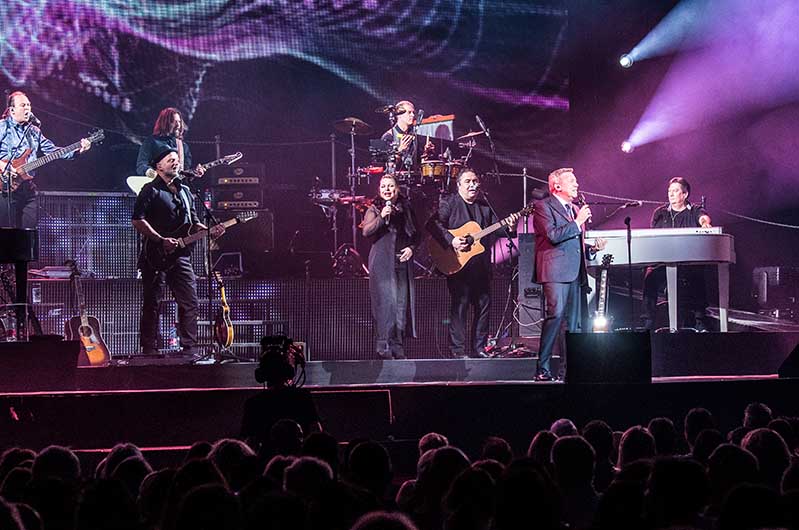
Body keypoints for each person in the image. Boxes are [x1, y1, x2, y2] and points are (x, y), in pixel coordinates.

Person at [131, 147, 224, 356]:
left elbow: (195, 222)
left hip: (181, 255)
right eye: (170, 160)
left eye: (177, 159)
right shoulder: (150, 190)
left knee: (190, 302)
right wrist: (160, 239)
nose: (175, 162)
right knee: (153, 302)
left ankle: (189, 349)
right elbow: (137, 219)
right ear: (159, 166)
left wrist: (209, 231)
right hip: (154, 255)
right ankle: (149, 348)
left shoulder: (186, 191)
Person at [426, 169, 519, 358]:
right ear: (459, 185)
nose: (472, 185)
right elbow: (433, 224)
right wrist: (452, 240)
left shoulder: (484, 207)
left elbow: (499, 230)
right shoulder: (449, 203)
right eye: (468, 181)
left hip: (480, 266)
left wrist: (510, 226)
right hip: (457, 264)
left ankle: (479, 348)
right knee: (460, 305)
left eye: (475, 181)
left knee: (484, 304)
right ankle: (457, 350)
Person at [533, 167, 606, 381]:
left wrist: (590, 249)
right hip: (555, 270)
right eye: (571, 181)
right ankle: (542, 368)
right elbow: (553, 236)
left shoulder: (574, 208)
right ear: (557, 186)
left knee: (573, 324)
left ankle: (569, 371)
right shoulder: (542, 206)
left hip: (575, 271)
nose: (576, 184)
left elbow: (573, 242)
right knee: (555, 316)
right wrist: (578, 222)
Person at [0, 91, 92, 227]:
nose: (27, 108)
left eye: (29, 105)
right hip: (5, 187)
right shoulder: (2, 127)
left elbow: (53, 151)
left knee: (30, 231)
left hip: (27, 188)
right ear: (12, 110)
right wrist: (2, 165)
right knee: (7, 233)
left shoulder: (34, 131)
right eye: (23, 105)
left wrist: (78, 149)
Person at [361, 175, 420, 359]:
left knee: (401, 304)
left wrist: (411, 248)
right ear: (379, 190)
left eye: (391, 186)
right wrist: (382, 216)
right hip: (382, 262)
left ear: (397, 189)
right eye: (383, 186)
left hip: (401, 261)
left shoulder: (407, 209)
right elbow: (366, 231)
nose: (387, 189)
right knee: (386, 303)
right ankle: (383, 345)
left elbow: (417, 234)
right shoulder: (374, 208)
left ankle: (398, 345)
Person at [641, 176, 711, 331]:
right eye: (669, 191)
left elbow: (703, 218)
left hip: (687, 262)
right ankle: (648, 321)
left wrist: (705, 223)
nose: (671, 194)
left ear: (685, 194)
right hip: (663, 261)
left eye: (675, 191)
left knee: (698, 272)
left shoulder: (694, 210)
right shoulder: (660, 213)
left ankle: (700, 320)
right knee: (650, 275)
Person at [240, 336, 322, 454]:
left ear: (261, 375)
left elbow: (249, 444)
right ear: (289, 372)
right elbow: (317, 435)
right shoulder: (303, 398)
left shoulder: (254, 403)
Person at [135, 107, 206, 177]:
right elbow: (141, 165)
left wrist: (195, 173)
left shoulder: (183, 146)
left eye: (179, 122)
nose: (178, 125)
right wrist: (153, 174)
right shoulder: (151, 142)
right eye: (174, 122)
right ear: (164, 123)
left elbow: (183, 175)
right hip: (155, 186)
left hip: (175, 187)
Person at [380, 100, 433, 171]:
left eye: (413, 112)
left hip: (413, 177)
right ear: (399, 115)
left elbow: (418, 162)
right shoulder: (387, 137)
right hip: (396, 179)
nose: (413, 115)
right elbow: (387, 166)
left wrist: (426, 153)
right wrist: (400, 150)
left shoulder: (413, 135)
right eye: (409, 112)